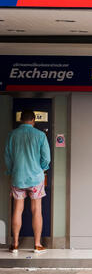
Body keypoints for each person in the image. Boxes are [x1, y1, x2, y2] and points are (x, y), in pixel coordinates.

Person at [4, 109, 51, 254]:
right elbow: (46, 159)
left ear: (21, 120)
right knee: (37, 210)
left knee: (17, 209)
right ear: (33, 121)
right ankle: (37, 244)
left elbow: (7, 157)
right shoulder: (40, 135)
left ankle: (15, 244)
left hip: (18, 177)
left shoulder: (12, 135)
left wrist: (12, 171)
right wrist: (41, 168)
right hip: (36, 178)